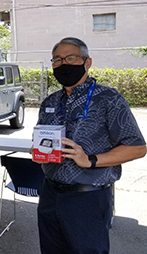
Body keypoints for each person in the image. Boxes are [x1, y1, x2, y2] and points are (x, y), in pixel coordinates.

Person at [36, 37, 146, 253]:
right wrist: (39, 151)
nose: (63, 63)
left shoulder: (108, 99)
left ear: (87, 62)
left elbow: (137, 147)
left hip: (88, 198)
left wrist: (91, 160)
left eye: (71, 58)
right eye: (57, 59)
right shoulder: (49, 102)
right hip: (50, 194)